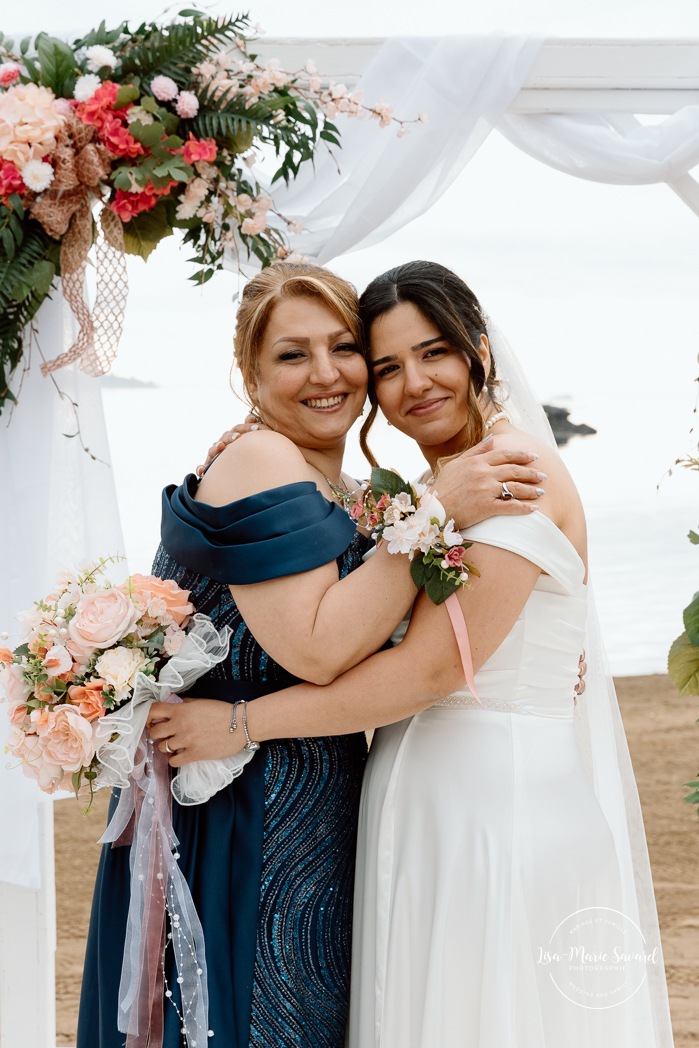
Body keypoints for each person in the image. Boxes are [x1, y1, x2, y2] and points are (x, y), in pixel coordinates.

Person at [155, 261, 674, 1047]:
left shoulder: (510, 473)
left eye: (433, 353)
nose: (414, 383)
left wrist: (240, 722)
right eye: (389, 365)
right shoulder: (444, 485)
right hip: (426, 798)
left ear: (478, 353)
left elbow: (429, 670)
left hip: (491, 805)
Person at [78, 262, 545, 1048]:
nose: (325, 374)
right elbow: (320, 650)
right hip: (242, 805)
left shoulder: (346, 488)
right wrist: (436, 509)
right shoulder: (261, 460)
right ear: (251, 375)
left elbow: (383, 629)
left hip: (316, 791)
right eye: (292, 355)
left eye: (344, 348)